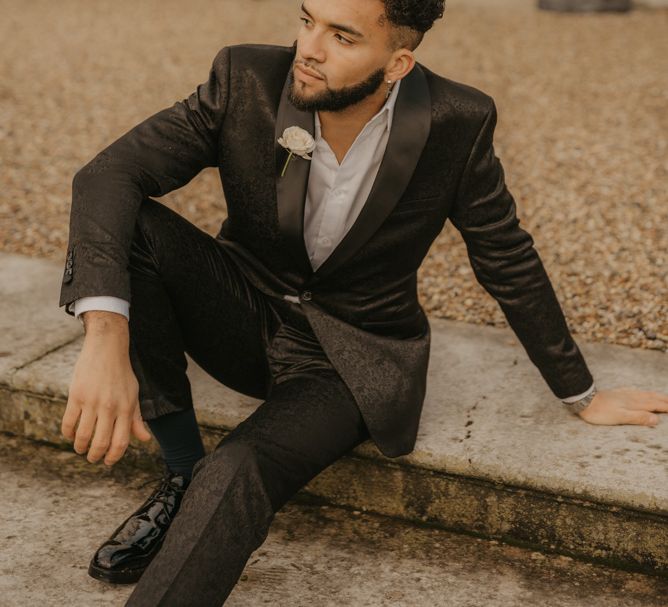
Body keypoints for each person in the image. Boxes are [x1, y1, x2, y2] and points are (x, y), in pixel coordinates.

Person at [58, 0, 668, 604]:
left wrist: (581, 392)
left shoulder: (459, 120)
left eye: (342, 37)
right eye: (307, 21)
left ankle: (204, 487)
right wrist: (106, 336)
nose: (309, 48)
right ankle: (181, 470)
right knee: (126, 221)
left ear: (397, 62)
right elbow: (106, 176)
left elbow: (505, 255)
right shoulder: (245, 78)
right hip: (241, 308)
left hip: (349, 356)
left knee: (237, 468)